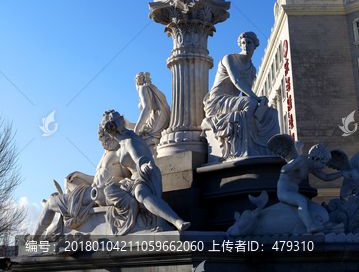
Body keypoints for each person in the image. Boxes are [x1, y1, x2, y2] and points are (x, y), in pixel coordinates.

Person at [30, 126, 130, 238]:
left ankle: (34, 239)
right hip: (90, 192)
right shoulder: (106, 154)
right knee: (68, 182)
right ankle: (62, 206)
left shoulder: (121, 153)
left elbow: (128, 179)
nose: (101, 139)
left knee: (51, 203)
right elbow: (97, 179)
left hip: (96, 195)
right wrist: (79, 174)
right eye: (101, 136)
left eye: (105, 134)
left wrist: (110, 186)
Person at [101, 110, 190, 231]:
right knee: (109, 190)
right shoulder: (121, 145)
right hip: (133, 180)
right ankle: (135, 211)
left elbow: (138, 158)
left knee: (141, 194)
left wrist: (143, 166)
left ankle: (177, 221)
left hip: (144, 175)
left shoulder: (129, 141)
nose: (122, 119)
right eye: (119, 119)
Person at [203, 31, 280, 159]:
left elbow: (245, 95)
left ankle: (266, 148)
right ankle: (246, 146)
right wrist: (256, 98)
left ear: (255, 45)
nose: (245, 45)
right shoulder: (230, 59)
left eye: (249, 42)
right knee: (252, 103)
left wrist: (260, 104)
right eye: (243, 43)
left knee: (271, 113)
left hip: (233, 102)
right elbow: (237, 81)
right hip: (217, 100)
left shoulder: (252, 69)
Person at [277, 144, 343, 233]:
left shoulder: (311, 167)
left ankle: (326, 226)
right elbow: (284, 170)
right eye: (323, 163)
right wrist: (296, 160)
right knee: (302, 202)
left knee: (313, 207)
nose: (323, 167)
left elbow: (326, 177)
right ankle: (310, 226)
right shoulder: (300, 162)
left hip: (294, 193)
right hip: (284, 192)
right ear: (314, 159)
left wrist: (342, 173)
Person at [134, 72, 170, 153]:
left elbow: (147, 108)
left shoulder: (143, 88)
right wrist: (129, 124)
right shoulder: (154, 89)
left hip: (156, 121)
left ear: (137, 81)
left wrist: (136, 129)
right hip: (164, 121)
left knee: (138, 139)